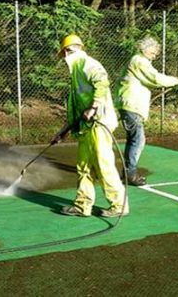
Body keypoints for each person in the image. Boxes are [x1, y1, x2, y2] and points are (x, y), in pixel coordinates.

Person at [53, 34, 128, 218]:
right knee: (83, 167)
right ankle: (82, 205)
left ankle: (119, 205)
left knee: (103, 166)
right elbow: (77, 111)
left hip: (99, 124)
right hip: (86, 127)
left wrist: (94, 106)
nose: (63, 59)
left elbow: (102, 81)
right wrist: (62, 132)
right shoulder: (76, 74)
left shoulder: (88, 64)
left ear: (68, 51)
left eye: (64, 54)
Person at [114, 36, 178, 186]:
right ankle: (130, 174)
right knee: (138, 139)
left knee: (134, 138)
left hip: (130, 104)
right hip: (131, 104)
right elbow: (155, 78)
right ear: (145, 49)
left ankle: (128, 171)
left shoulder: (139, 61)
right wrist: (176, 80)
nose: (155, 55)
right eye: (153, 52)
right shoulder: (139, 61)